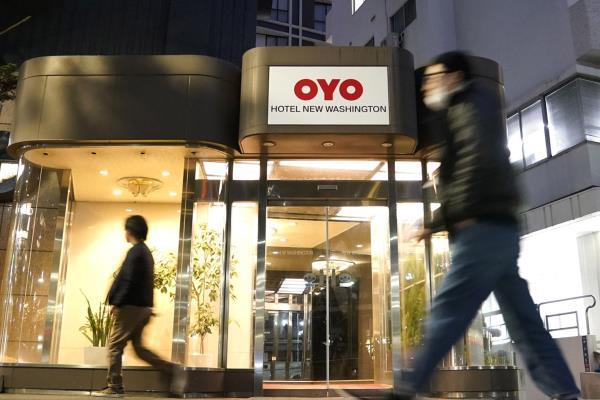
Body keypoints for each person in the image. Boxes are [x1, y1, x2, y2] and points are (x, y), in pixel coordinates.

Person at [386, 51, 580, 399]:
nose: (427, 86)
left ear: (454, 77)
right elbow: (475, 159)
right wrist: (440, 215)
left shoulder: (467, 106)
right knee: (524, 323)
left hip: (480, 228)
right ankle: (566, 393)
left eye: (433, 78)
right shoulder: (476, 105)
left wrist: (454, 214)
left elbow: (475, 158)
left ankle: (408, 387)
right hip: (498, 227)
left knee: (449, 312)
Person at [92, 215, 185, 397]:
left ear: (131, 231)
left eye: (126, 229)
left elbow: (127, 280)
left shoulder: (135, 252)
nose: (125, 233)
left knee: (114, 345)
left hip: (131, 307)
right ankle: (171, 369)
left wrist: (118, 302)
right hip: (142, 308)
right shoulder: (145, 253)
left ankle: (115, 386)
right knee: (139, 349)